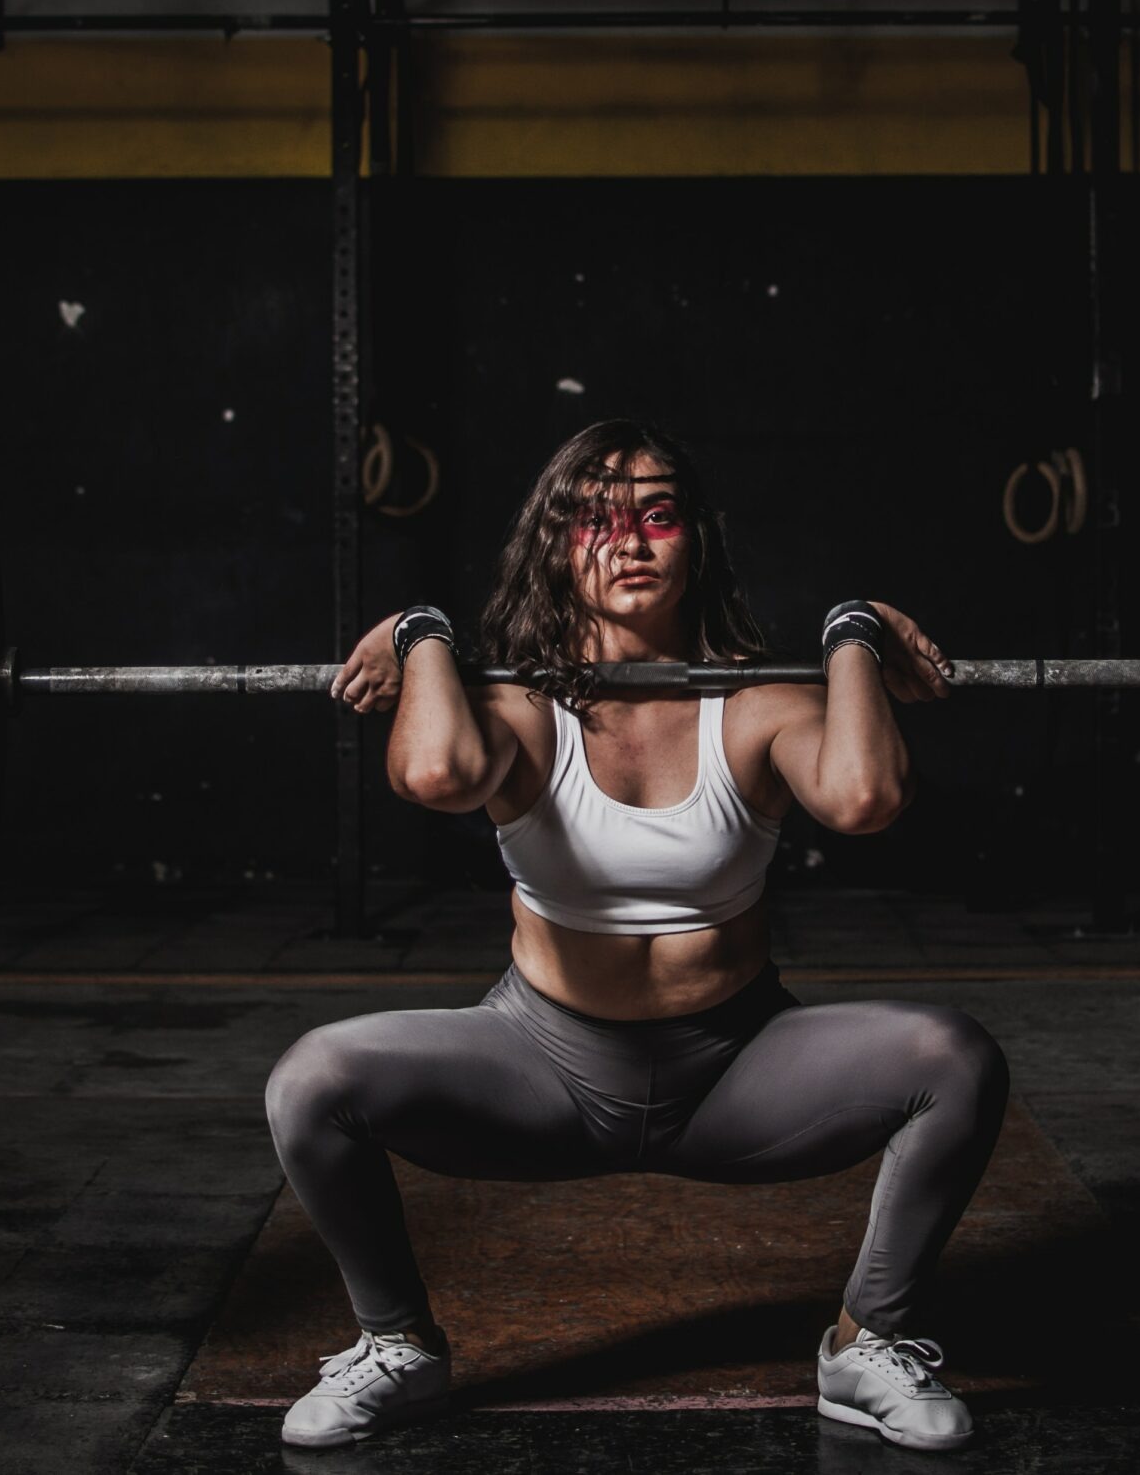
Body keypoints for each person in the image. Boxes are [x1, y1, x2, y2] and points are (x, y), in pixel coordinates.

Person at [265, 418, 1010, 1452]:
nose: (628, 541)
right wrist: (421, 633)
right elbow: (436, 774)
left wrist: (852, 633)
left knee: (954, 1058)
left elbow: (866, 796)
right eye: (594, 518)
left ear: (695, 537)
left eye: (657, 515)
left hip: (736, 1070)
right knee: (312, 1080)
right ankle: (398, 1344)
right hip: (540, 1070)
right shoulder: (521, 707)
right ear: (555, 543)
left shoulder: (756, 703)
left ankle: (866, 1342)